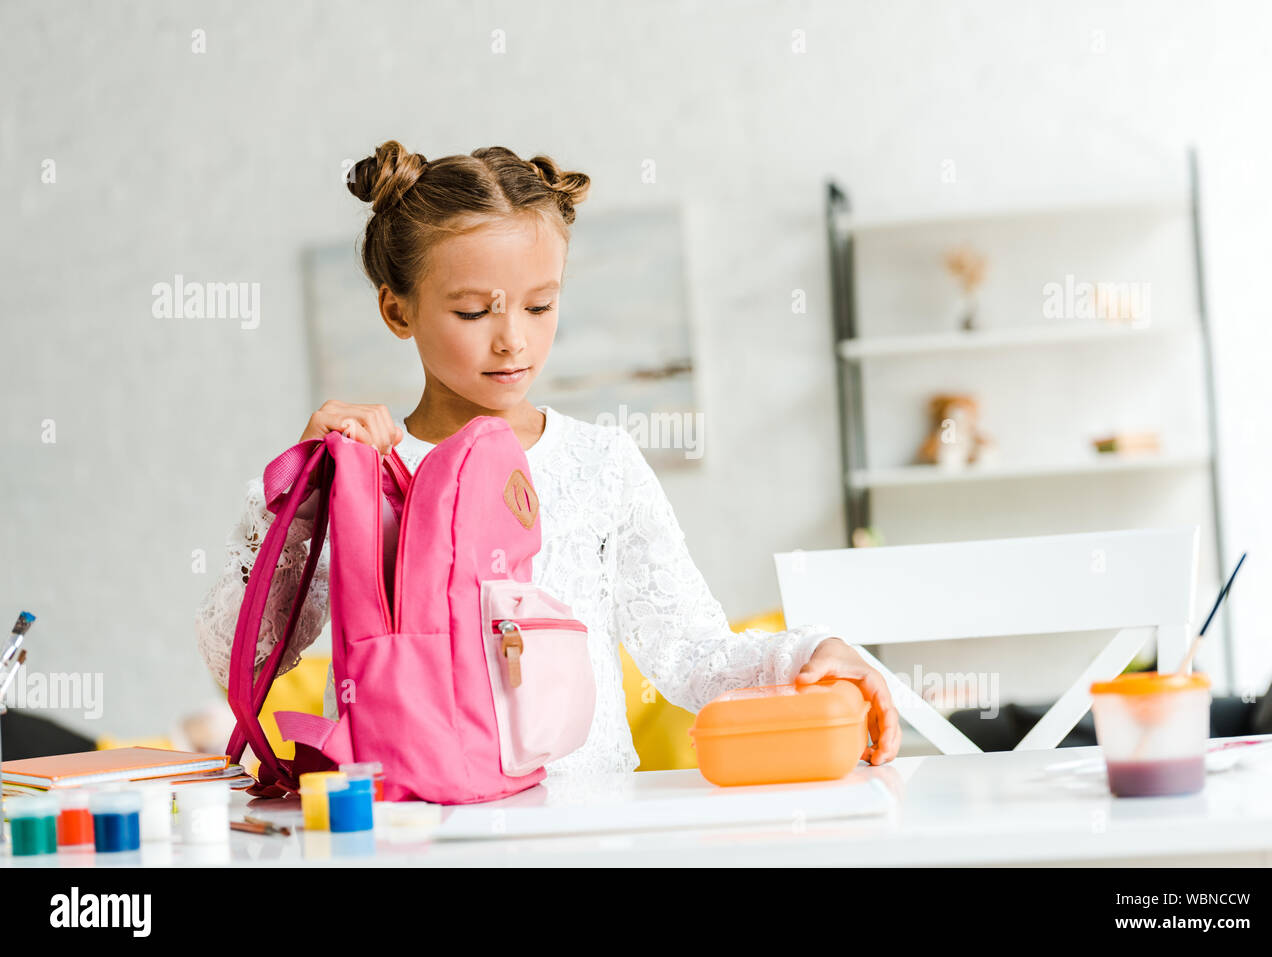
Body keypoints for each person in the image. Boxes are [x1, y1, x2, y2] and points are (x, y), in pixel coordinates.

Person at [194, 140, 900, 777]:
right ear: (396, 309)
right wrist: (300, 496)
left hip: (588, 826)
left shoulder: (603, 462)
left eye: (540, 306)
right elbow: (242, 660)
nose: (514, 342)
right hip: (405, 827)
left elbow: (688, 651)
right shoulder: (360, 471)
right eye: (474, 313)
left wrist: (806, 653)